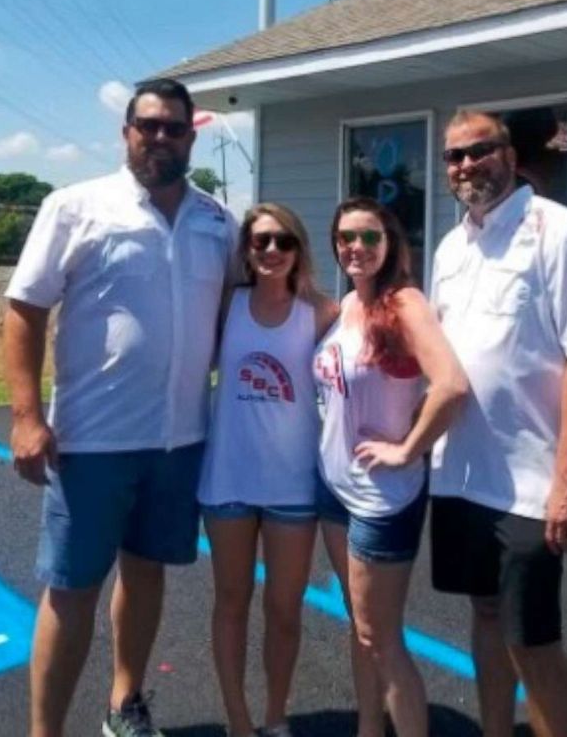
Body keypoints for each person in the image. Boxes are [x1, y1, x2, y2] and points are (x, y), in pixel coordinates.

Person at [4, 78, 238, 737]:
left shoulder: (218, 221)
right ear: (126, 132)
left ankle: (124, 705)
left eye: (173, 127)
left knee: (146, 572)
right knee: (72, 590)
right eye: (148, 125)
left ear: (193, 135)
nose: (159, 137)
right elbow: (24, 309)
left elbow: (246, 309)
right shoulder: (75, 207)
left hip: (180, 440)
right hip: (90, 443)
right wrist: (25, 416)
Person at [430, 110, 567, 737]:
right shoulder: (450, 246)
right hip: (460, 475)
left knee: (533, 640)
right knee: (486, 616)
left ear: (509, 155)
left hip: (528, 484)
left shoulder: (558, 230)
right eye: (454, 156)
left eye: (478, 150)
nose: (466, 165)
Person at [314, 197, 468, 737]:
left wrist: (408, 448)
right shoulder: (347, 307)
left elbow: (451, 385)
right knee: (361, 628)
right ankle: (367, 728)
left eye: (370, 236)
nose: (356, 246)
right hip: (333, 488)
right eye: (346, 237)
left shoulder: (404, 303)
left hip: (383, 496)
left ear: (390, 242)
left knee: (382, 636)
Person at [199, 202, 337, 737]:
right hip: (228, 480)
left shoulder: (323, 313)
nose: (273, 251)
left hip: (293, 488)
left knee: (284, 609)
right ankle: (238, 721)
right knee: (231, 602)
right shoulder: (225, 307)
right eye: (261, 242)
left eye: (284, 241)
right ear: (247, 252)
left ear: (300, 248)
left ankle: (276, 716)